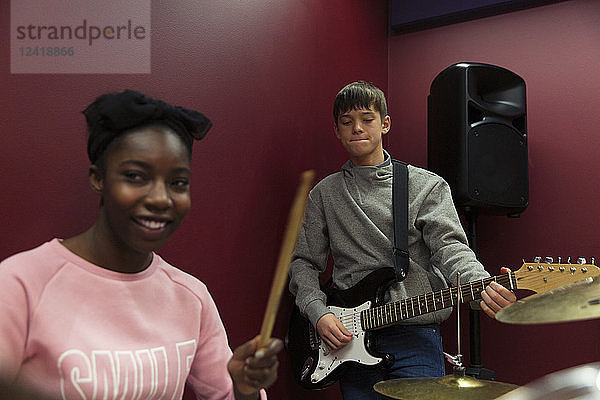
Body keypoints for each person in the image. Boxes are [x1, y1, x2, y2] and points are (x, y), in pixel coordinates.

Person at [0, 90, 282, 400]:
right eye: (135, 176)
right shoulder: (20, 283)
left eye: (177, 182)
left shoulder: (191, 298)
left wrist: (244, 389)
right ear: (98, 179)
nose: (161, 198)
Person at [288, 81, 516, 399]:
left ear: (385, 123)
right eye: (346, 122)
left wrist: (479, 284)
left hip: (415, 336)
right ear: (337, 131)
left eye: (367, 118)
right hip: (347, 341)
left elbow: (449, 247)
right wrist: (318, 312)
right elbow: (303, 262)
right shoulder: (324, 194)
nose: (357, 128)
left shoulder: (426, 186)